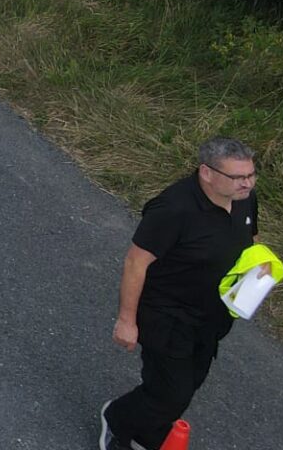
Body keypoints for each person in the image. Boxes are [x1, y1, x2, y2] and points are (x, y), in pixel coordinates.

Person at [102, 137, 263, 450]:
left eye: (251, 175)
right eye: (238, 177)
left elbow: (250, 240)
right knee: (170, 392)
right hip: (167, 313)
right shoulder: (174, 208)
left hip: (211, 317)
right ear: (207, 173)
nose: (247, 183)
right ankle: (117, 419)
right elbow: (136, 262)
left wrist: (258, 269)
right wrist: (126, 321)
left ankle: (147, 430)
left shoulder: (245, 198)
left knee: (189, 385)